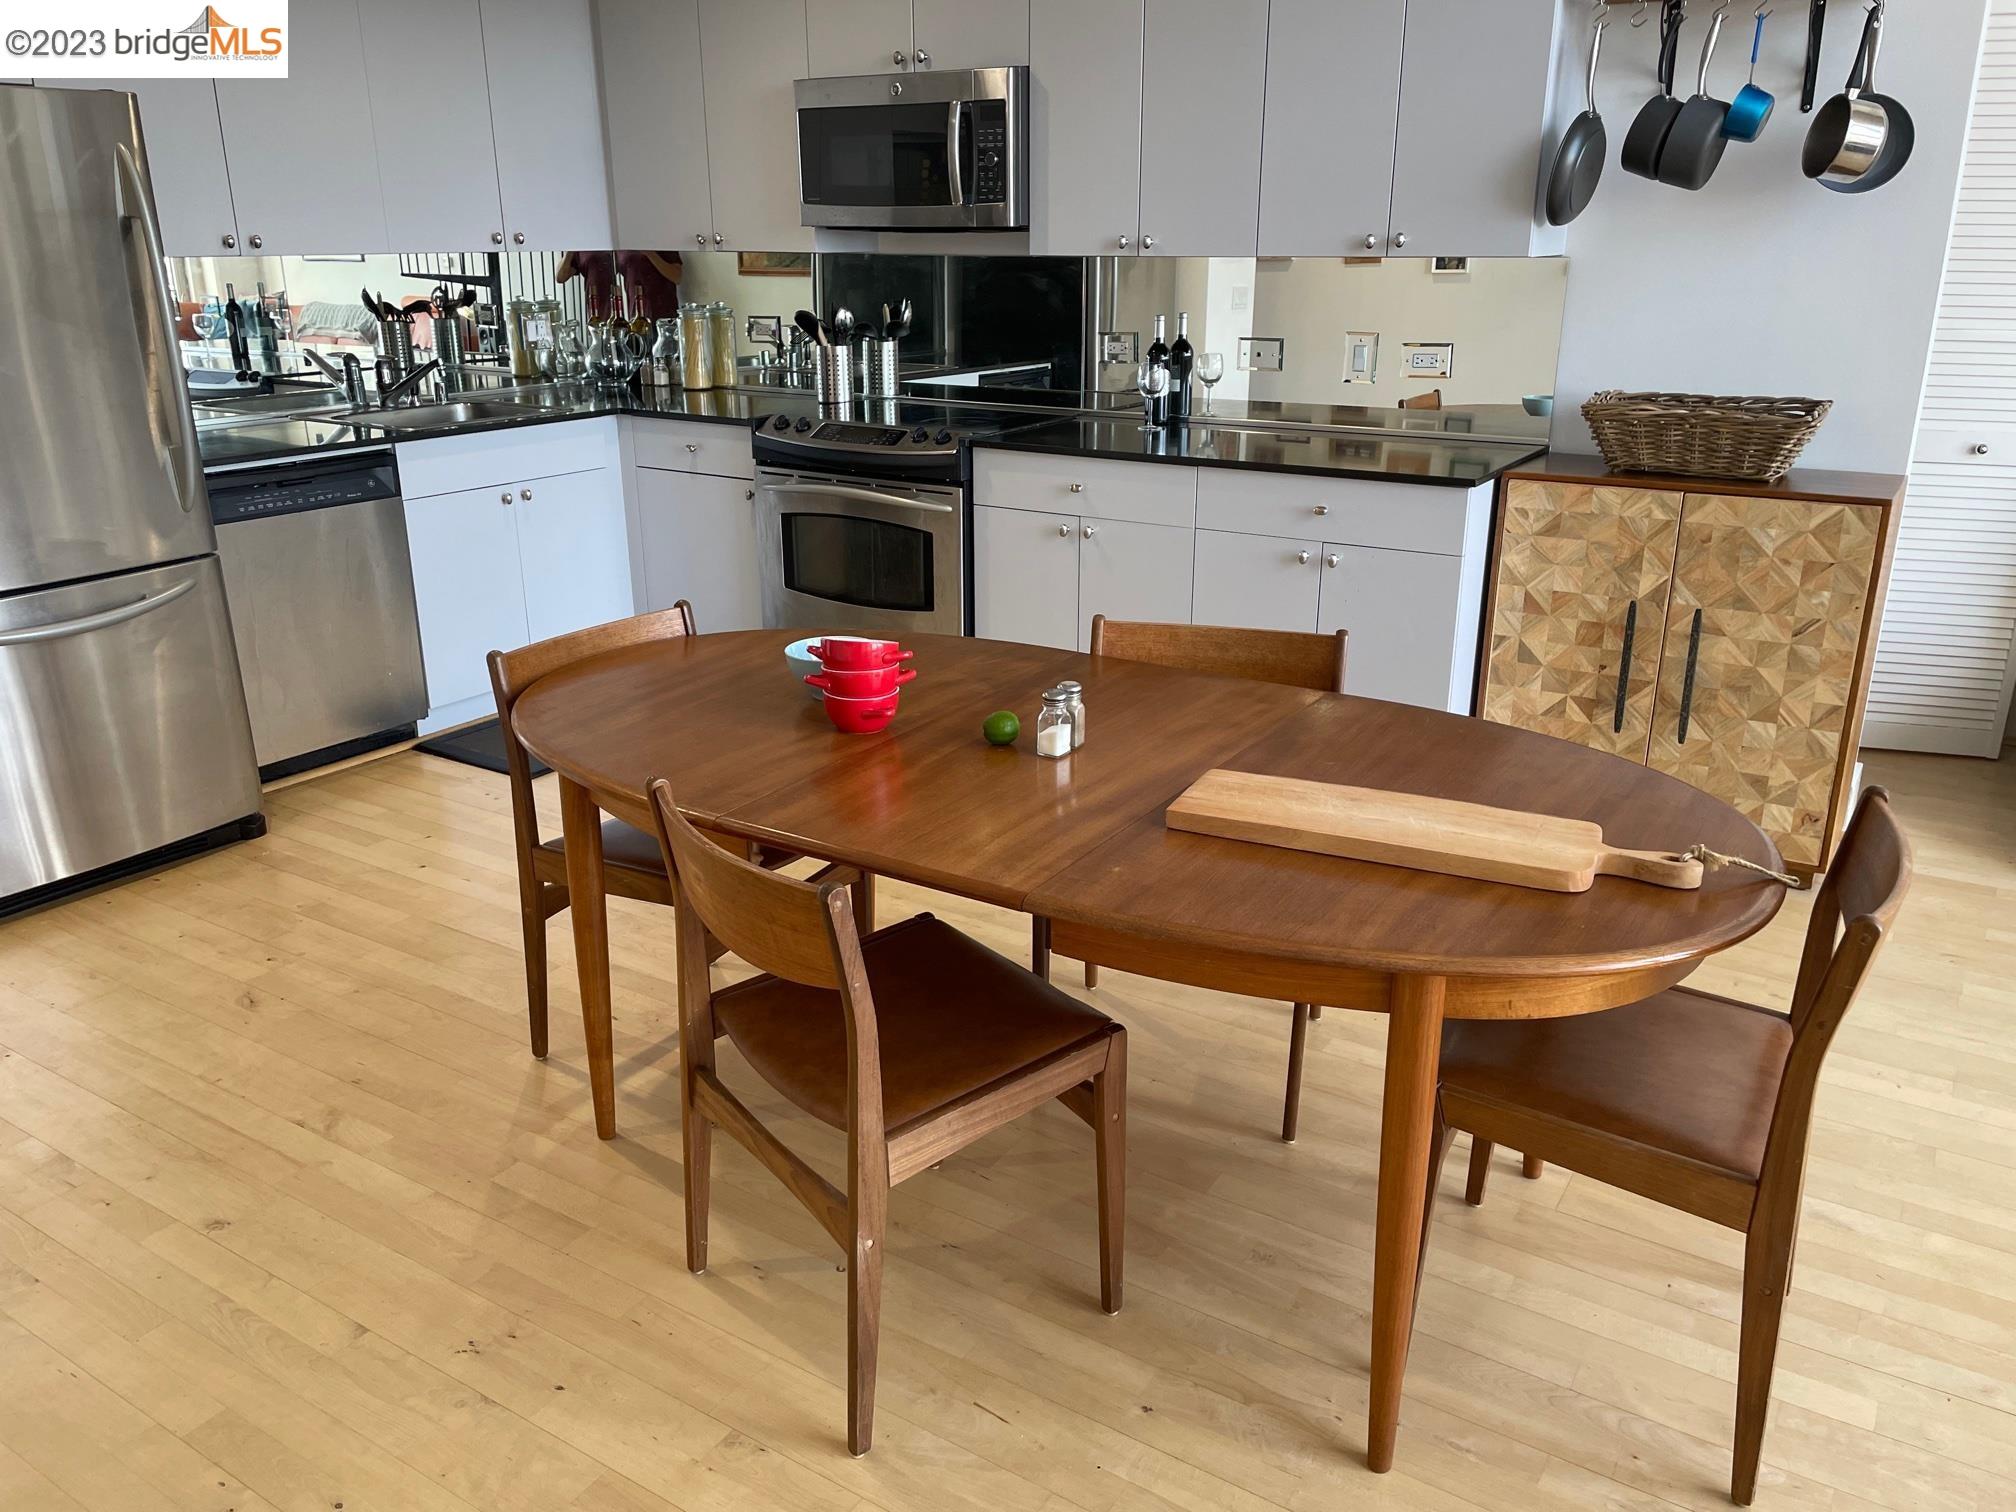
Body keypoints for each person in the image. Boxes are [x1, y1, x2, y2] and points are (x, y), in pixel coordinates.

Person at [557, 249, 684, 324]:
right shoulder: (586, 241)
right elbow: (560, 277)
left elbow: (677, 276)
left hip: (657, 318)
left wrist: (649, 253)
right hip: (602, 324)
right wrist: (570, 250)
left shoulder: (655, 230)